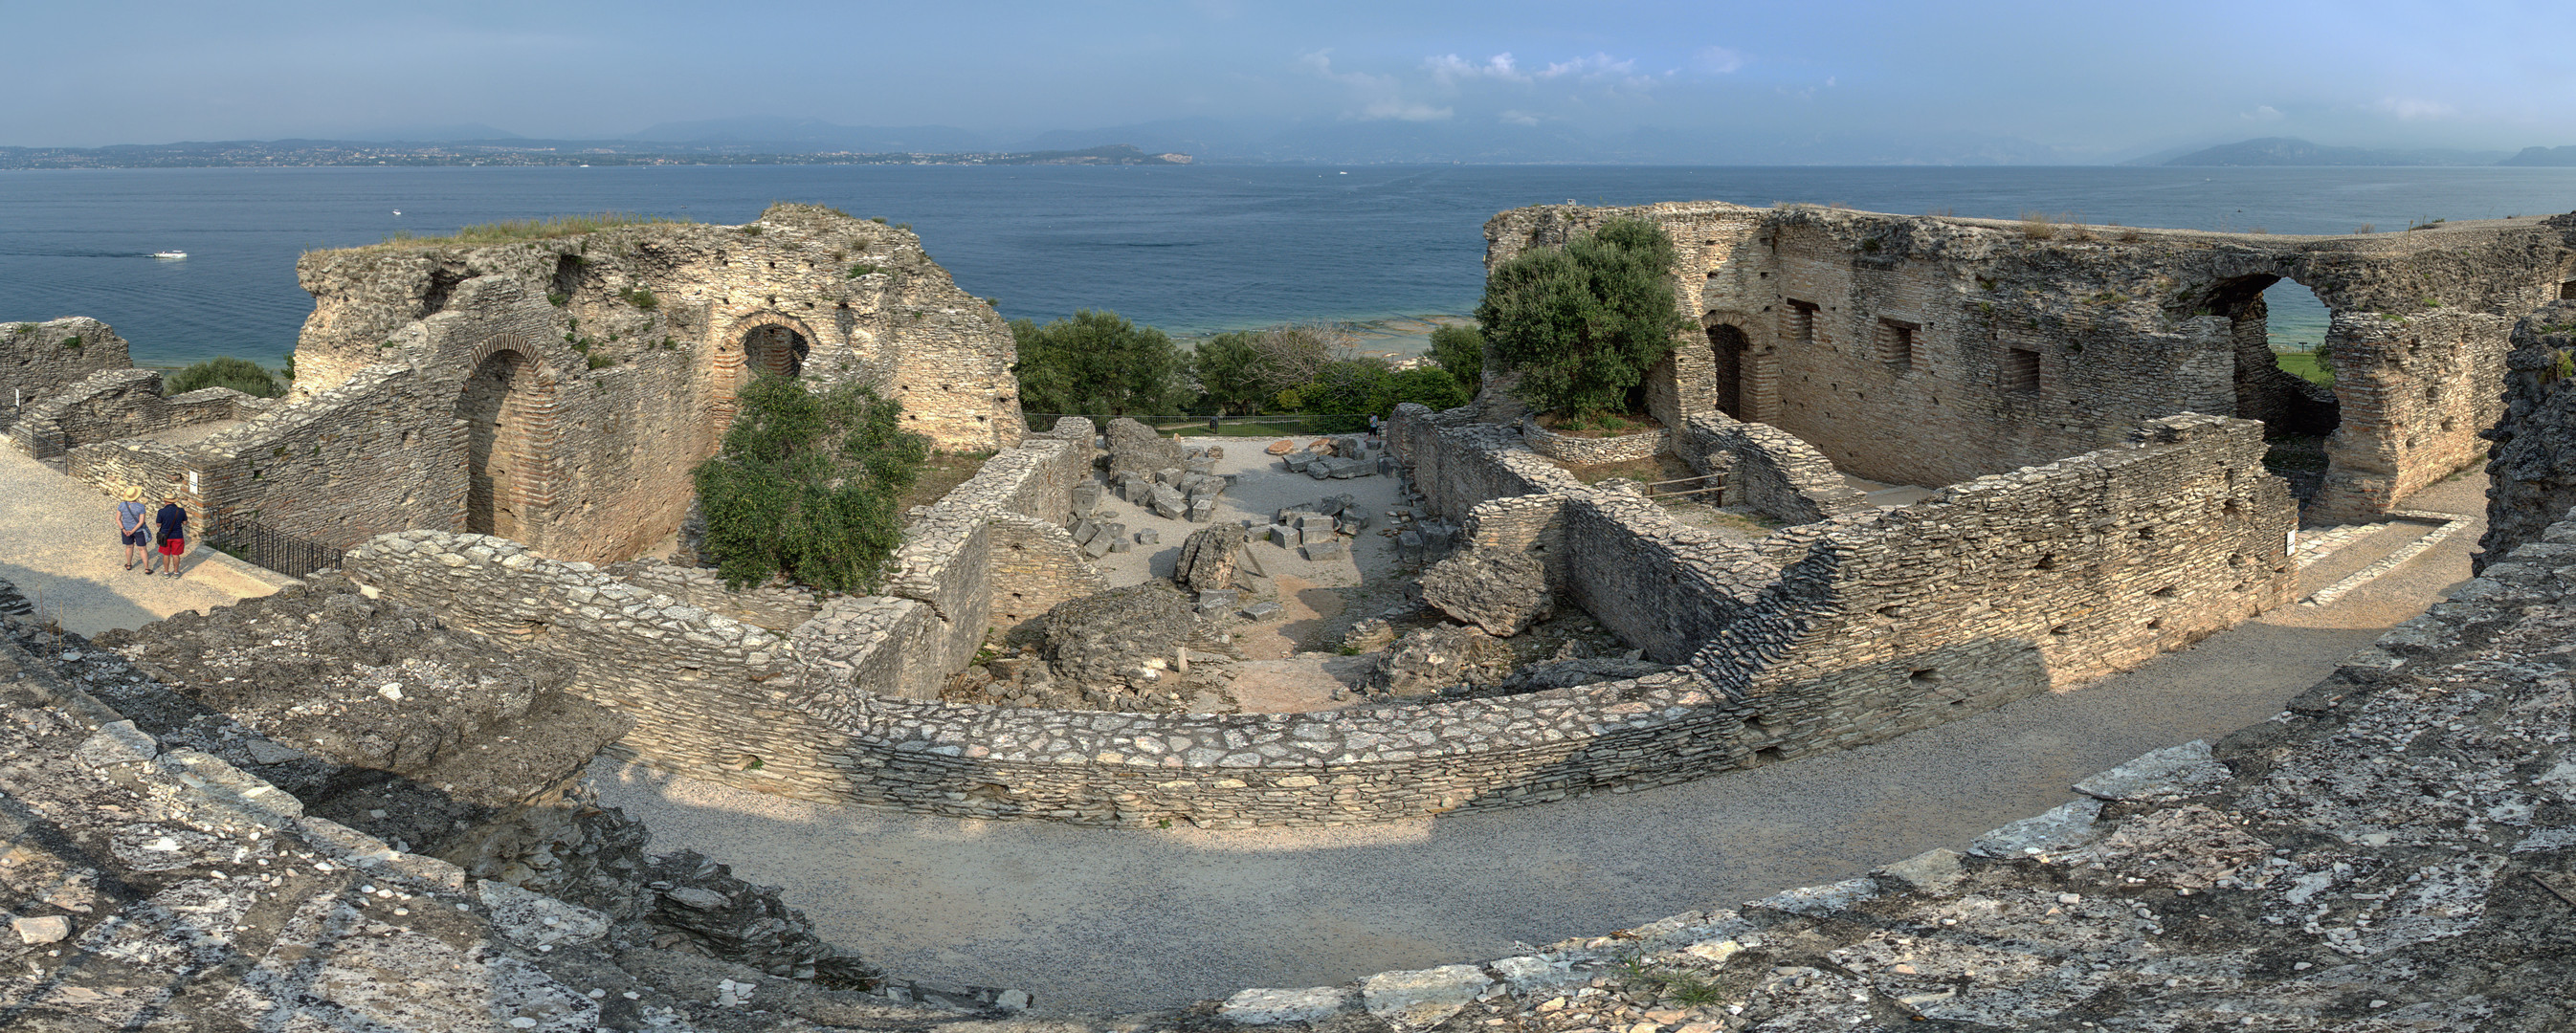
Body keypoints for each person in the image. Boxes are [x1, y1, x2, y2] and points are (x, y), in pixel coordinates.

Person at [150, 495, 189, 578]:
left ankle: (166, 573)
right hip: (178, 535)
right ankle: (176, 572)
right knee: (176, 555)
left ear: (165, 502)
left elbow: (158, 524)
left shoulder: (161, 511)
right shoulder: (181, 511)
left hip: (165, 536)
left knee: (166, 554)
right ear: (174, 501)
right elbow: (185, 523)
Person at [115, 486, 151, 571]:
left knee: (129, 547)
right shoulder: (141, 507)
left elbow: (117, 519)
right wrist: (133, 531)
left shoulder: (122, 505)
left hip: (126, 530)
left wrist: (124, 530)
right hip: (138, 530)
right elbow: (141, 521)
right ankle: (146, 568)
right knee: (142, 549)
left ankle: (128, 564)